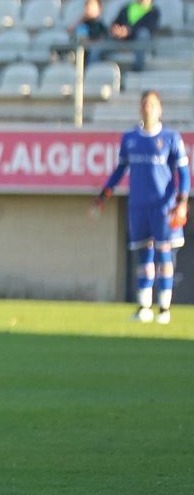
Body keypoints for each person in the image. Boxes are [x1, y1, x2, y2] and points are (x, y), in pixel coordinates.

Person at [93, 91, 188, 324]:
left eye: (153, 104)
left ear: (160, 109)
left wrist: (182, 202)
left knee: (164, 254)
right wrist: (104, 194)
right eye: (145, 103)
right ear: (139, 108)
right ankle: (144, 307)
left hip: (163, 208)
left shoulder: (171, 138)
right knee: (144, 256)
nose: (148, 108)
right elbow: (120, 170)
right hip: (138, 206)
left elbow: (184, 173)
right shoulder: (130, 139)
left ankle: (164, 310)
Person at [108, 0, 160, 71]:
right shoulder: (127, 8)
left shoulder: (153, 11)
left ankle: (138, 69)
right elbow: (116, 22)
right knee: (104, 40)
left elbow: (150, 28)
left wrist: (128, 31)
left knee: (143, 34)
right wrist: (116, 30)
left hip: (138, 39)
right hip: (122, 39)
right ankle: (93, 67)